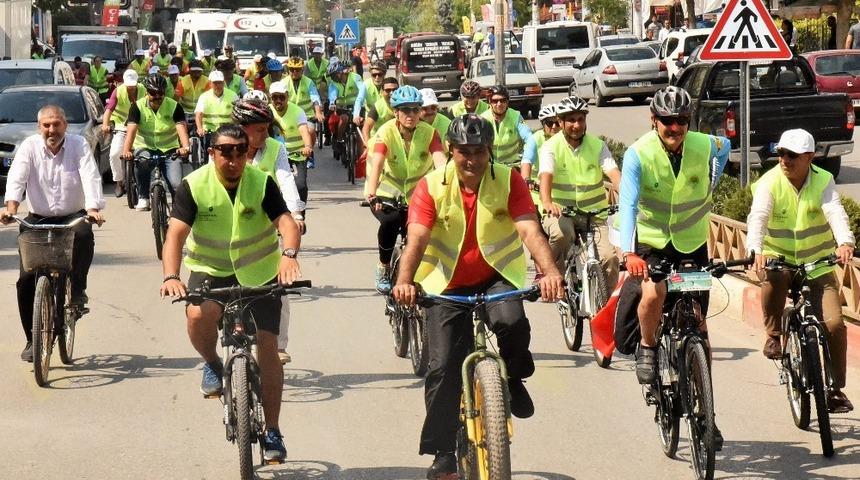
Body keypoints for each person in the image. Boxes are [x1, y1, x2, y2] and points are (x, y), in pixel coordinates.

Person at [391, 114, 565, 478]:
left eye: (479, 151)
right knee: (441, 368)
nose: (471, 160)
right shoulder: (431, 186)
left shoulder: (509, 180)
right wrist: (405, 281)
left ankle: (513, 378)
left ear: (490, 152)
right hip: (444, 284)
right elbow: (418, 238)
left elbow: (530, 229)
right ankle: (442, 452)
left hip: (495, 275)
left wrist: (549, 272)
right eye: (463, 152)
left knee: (512, 322)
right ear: (451, 151)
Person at [159, 123, 301, 463]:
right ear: (212, 153)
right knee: (196, 314)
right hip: (210, 270)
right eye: (226, 151)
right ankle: (211, 363)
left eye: (241, 151)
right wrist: (171, 275)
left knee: (268, 348)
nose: (234, 158)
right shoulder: (194, 185)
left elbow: (286, 223)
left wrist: (289, 256)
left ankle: (272, 431)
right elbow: (176, 234)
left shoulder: (261, 182)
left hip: (260, 273)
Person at [618, 86, 730, 445]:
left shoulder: (706, 145)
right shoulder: (638, 154)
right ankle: (650, 347)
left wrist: (710, 182)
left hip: (694, 242)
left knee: (699, 327)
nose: (675, 127)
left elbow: (725, 148)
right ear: (654, 120)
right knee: (653, 291)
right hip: (652, 242)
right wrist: (628, 253)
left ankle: (707, 412)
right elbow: (628, 206)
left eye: (681, 120)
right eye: (667, 121)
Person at [747, 128, 854, 414]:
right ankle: (773, 334)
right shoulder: (770, 182)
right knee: (775, 276)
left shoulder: (824, 181)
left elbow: (835, 213)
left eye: (792, 155)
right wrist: (755, 250)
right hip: (778, 260)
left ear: (810, 157)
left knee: (833, 324)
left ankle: (834, 389)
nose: (784, 160)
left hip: (817, 264)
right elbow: (758, 217)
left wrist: (845, 242)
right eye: (781, 153)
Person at [1, 105, 105, 362]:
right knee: (26, 280)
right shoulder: (29, 147)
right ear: (40, 127)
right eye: (46, 125)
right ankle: (31, 338)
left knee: (83, 235)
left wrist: (93, 208)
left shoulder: (79, 145)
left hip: (74, 216)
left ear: (65, 126)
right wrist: (10, 206)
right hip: (38, 218)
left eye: (56, 124)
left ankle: (78, 288)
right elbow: (17, 177)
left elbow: (90, 176)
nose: (51, 130)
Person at [234, 97, 306, 364]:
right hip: (233, 227)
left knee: (280, 285)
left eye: (267, 128)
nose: (266, 134)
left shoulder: (275, 148)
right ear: (242, 128)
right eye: (260, 129)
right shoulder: (228, 148)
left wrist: (295, 214)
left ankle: (278, 344)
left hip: (269, 223)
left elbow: (286, 179)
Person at [364, 86, 447, 291]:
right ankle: (384, 266)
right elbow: (378, 164)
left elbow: (441, 165)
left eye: (414, 109)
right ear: (396, 112)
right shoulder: (386, 132)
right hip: (387, 190)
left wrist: (448, 189)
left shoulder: (430, 133)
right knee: (391, 222)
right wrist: (372, 194)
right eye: (404, 110)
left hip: (418, 192)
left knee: (422, 233)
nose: (410, 115)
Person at [537, 96, 620, 285]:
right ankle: (556, 278)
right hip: (561, 213)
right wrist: (548, 202)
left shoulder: (598, 146)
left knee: (610, 258)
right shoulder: (550, 147)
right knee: (561, 234)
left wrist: (627, 195)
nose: (577, 125)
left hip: (594, 215)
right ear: (560, 122)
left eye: (581, 119)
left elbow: (614, 174)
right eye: (571, 120)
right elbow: (546, 176)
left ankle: (605, 308)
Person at [121, 74, 191, 211]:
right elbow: (131, 130)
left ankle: (177, 212)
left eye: (161, 93)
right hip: (145, 147)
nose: (157, 96)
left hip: (170, 149)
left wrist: (185, 147)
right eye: (153, 93)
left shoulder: (174, 106)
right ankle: (143, 197)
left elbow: (181, 128)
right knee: (142, 162)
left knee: (176, 184)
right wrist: (126, 150)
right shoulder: (137, 107)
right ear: (147, 92)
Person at [268, 81, 313, 210]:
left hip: (297, 156)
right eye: (274, 97)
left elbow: (304, 131)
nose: (278, 101)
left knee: (300, 186)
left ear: (287, 96)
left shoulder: (297, 111)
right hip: (275, 155)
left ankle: (300, 211)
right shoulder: (267, 112)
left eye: (281, 97)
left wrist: (308, 147)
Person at [102, 69, 146, 197]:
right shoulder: (118, 91)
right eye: (129, 86)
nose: (131, 88)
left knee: (145, 156)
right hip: (122, 127)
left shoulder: (144, 90)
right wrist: (105, 125)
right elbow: (109, 110)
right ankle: (119, 182)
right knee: (115, 153)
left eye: (133, 86)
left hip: (140, 127)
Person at [284, 56, 324, 162]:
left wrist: (318, 112)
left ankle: (310, 154)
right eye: (292, 69)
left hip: (307, 116)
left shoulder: (309, 82)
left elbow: (315, 97)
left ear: (302, 70)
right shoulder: (284, 83)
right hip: (289, 115)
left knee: (310, 130)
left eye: (297, 70)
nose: (294, 72)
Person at [480, 85, 531, 168]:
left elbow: (529, 138)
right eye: (495, 101)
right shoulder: (483, 119)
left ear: (507, 101)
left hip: (513, 166)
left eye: (503, 100)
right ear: (490, 102)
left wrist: (526, 160)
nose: (499, 104)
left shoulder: (516, 116)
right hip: (491, 167)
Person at [520, 103, 560, 204]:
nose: (554, 127)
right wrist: (526, 179)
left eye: (558, 123)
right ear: (543, 124)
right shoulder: (535, 139)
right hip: (537, 188)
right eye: (550, 123)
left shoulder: (567, 139)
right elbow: (526, 161)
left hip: (561, 190)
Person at [194, 70, 239, 156]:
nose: (218, 85)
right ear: (210, 83)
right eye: (215, 83)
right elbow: (198, 114)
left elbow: (238, 114)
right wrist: (199, 128)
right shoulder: (204, 97)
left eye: (220, 82)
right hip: (210, 132)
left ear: (224, 82)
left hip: (228, 131)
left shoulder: (233, 95)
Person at [327, 61, 366, 158]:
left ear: (340, 73)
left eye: (334, 75)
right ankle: (339, 140)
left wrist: (364, 102)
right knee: (343, 119)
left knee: (361, 125)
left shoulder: (355, 77)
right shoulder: (334, 83)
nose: (332, 78)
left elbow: (362, 90)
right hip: (342, 108)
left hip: (356, 107)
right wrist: (332, 103)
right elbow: (332, 94)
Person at [362, 76, 398, 141]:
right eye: (388, 90)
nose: (392, 93)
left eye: (395, 90)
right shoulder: (378, 106)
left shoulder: (404, 104)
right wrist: (368, 145)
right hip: (379, 139)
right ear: (382, 91)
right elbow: (366, 127)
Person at [418, 88, 451, 152]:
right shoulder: (412, 123)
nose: (429, 112)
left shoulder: (447, 125)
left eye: (433, 108)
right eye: (425, 108)